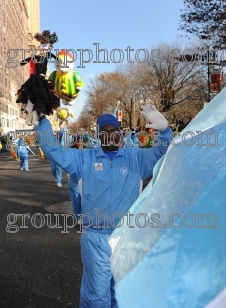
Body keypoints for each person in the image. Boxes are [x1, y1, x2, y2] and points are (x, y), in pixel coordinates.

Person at [35, 105, 172, 308]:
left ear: (120, 134)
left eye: (113, 131)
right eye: (104, 132)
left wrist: (165, 130)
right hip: (96, 238)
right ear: (98, 136)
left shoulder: (136, 158)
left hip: (125, 237)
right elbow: (53, 150)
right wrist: (41, 120)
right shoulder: (83, 159)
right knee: (97, 296)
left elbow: (163, 150)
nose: (110, 136)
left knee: (122, 291)